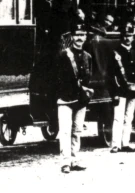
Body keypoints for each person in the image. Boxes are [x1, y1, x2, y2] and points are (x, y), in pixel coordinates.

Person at [55, 22, 92, 174]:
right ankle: (65, 163)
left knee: (77, 131)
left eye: (82, 35)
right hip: (65, 99)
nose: (79, 38)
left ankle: (74, 160)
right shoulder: (63, 55)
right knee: (65, 132)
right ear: (72, 37)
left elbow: (88, 79)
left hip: (81, 100)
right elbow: (56, 78)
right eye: (77, 35)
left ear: (86, 37)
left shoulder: (88, 57)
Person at [109, 22, 135, 153]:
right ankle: (115, 145)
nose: (128, 38)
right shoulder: (116, 52)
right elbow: (111, 75)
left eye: (130, 35)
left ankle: (125, 143)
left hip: (133, 90)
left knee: (129, 118)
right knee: (118, 118)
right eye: (126, 36)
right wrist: (114, 92)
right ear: (122, 37)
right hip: (120, 90)